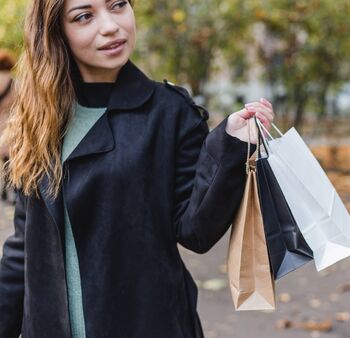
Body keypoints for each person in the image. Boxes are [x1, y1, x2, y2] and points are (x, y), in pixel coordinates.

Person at [0, 0, 275, 337]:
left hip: (146, 322)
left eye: (117, 5)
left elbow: (196, 230)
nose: (110, 25)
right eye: (84, 16)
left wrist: (232, 144)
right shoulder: (40, 118)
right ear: (57, 33)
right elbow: (24, 249)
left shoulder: (169, 112)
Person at [0, 50, 15, 201]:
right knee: (9, 159)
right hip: (8, 125)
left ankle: (5, 189)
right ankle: (8, 188)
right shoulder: (14, 82)